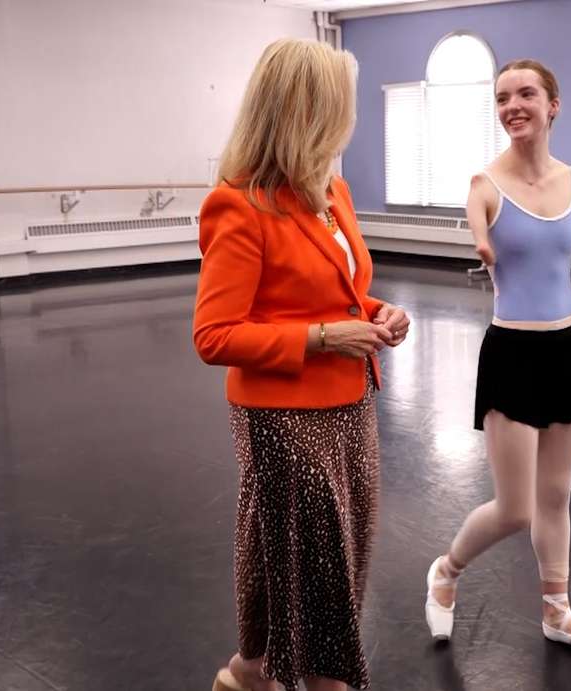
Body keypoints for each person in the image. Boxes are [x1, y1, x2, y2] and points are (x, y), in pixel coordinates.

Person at [194, 38, 409, 691]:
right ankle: (323, 681)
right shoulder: (240, 203)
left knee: (324, 549)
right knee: (318, 563)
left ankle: (249, 670)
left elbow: (339, 288)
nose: (349, 120)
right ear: (306, 111)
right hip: (285, 415)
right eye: (339, 105)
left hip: (352, 402)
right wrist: (319, 338)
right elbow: (213, 334)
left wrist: (377, 310)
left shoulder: (331, 191)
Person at [424, 58, 571, 657]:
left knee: (555, 497)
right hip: (512, 353)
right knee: (516, 508)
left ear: (553, 105)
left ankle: (557, 613)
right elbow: (477, 224)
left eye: (526, 93)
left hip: (566, 348)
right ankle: (445, 571)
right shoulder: (484, 186)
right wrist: (478, 236)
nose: (512, 105)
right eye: (501, 97)